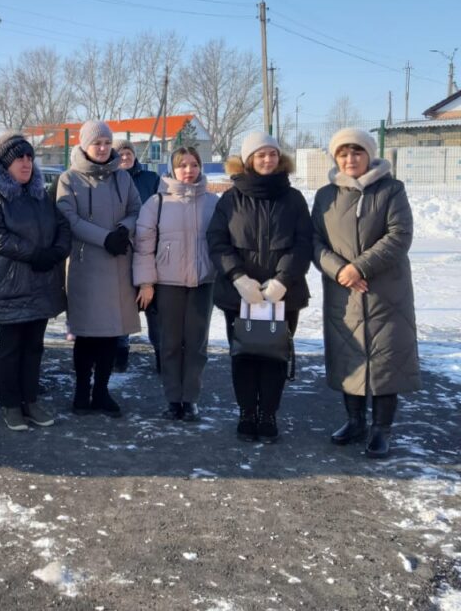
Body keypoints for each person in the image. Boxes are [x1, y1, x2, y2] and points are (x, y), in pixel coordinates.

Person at [312, 127, 420, 458]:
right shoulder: (326, 195)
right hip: (344, 292)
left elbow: (399, 235)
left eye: (356, 152)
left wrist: (360, 267)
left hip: (385, 291)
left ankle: (381, 429)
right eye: (343, 154)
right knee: (351, 356)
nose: (350, 159)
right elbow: (314, 241)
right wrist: (338, 270)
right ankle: (355, 421)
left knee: (386, 361)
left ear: (369, 154)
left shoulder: (390, 190)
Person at [207, 132, 312, 443]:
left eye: (273, 154)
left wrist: (283, 279)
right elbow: (217, 241)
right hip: (239, 296)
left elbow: (303, 242)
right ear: (248, 159)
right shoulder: (231, 198)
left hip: (283, 296)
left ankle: (268, 414)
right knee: (244, 356)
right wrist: (238, 277)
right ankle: (246, 413)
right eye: (260, 154)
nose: (268, 160)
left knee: (274, 356)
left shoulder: (293, 199)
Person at [0, 132, 71, 431]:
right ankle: (9, 404)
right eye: (20, 158)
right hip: (11, 284)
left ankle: (30, 400)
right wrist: (34, 254)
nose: (26, 163)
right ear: (5, 164)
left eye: (30, 157)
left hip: (42, 282)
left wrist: (58, 251)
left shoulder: (40, 194)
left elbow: (61, 225)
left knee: (35, 346)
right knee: (10, 348)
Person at [56, 120, 141, 417]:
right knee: (87, 335)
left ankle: (102, 392)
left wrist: (123, 230)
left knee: (110, 335)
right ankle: (82, 391)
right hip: (86, 266)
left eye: (107, 143)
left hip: (117, 264)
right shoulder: (69, 179)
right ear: (84, 145)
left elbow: (136, 209)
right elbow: (69, 218)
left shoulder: (122, 178)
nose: (103, 148)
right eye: (97, 143)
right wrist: (103, 238)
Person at [133, 147, 218, 422]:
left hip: (202, 283)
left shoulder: (213, 203)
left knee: (196, 344)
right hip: (167, 284)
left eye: (194, 165)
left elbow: (222, 242)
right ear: (172, 169)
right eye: (183, 165)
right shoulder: (157, 203)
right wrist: (146, 282)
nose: (189, 170)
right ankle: (173, 399)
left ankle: (190, 399)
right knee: (169, 344)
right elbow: (143, 247)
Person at [114, 139, 162, 372]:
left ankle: (161, 352)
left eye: (128, 153)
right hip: (122, 246)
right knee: (123, 302)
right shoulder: (111, 179)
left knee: (153, 303)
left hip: (150, 245)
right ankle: (121, 351)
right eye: (121, 153)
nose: (125, 157)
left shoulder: (150, 179)